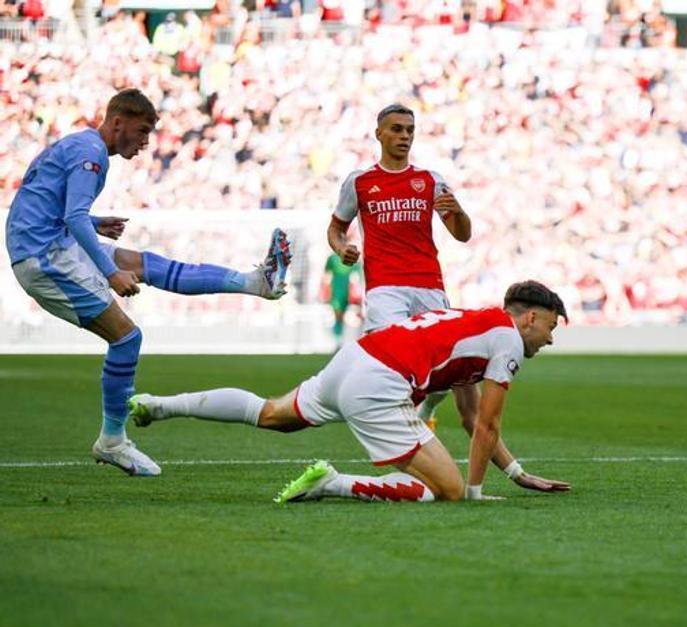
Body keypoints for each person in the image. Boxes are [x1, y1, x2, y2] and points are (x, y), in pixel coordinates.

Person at [5, 88, 292, 477]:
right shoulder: (91, 155)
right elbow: (70, 215)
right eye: (140, 132)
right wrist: (109, 272)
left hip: (51, 243)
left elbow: (45, 206)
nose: (144, 143)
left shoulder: (79, 145)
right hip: (44, 259)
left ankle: (255, 282)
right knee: (127, 338)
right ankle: (112, 440)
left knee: (147, 265)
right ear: (117, 121)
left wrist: (93, 223)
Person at [127, 281, 573, 502]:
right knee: (449, 489)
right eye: (551, 327)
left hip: (355, 358)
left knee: (272, 414)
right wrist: (475, 493)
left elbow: (473, 420)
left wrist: (516, 474)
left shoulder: (478, 325)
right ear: (530, 318)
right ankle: (332, 483)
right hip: (381, 381)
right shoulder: (509, 340)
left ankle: (160, 405)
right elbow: (489, 423)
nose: (549, 339)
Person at [327, 105, 514, 455]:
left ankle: (426, 410)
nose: (404, 136)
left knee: (443, 371)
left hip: (429, 286)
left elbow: (462, 234)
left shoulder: (430, 180)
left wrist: (457, 211)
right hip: (385, 288)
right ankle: (402, 442)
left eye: (410, 130)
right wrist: (342, 249)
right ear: (379, 133)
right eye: (396, 129)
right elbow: (336, 228)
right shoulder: (360, 182)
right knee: (395, 363)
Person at [322, 251, 361, 346]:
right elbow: (327, 274)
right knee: (338, 315)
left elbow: (356, 275)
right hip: (336, 289)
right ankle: (338, 341)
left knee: (351, 316)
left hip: (348, 290)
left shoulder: (352, 257)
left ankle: (345, 340)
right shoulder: (332, 258)